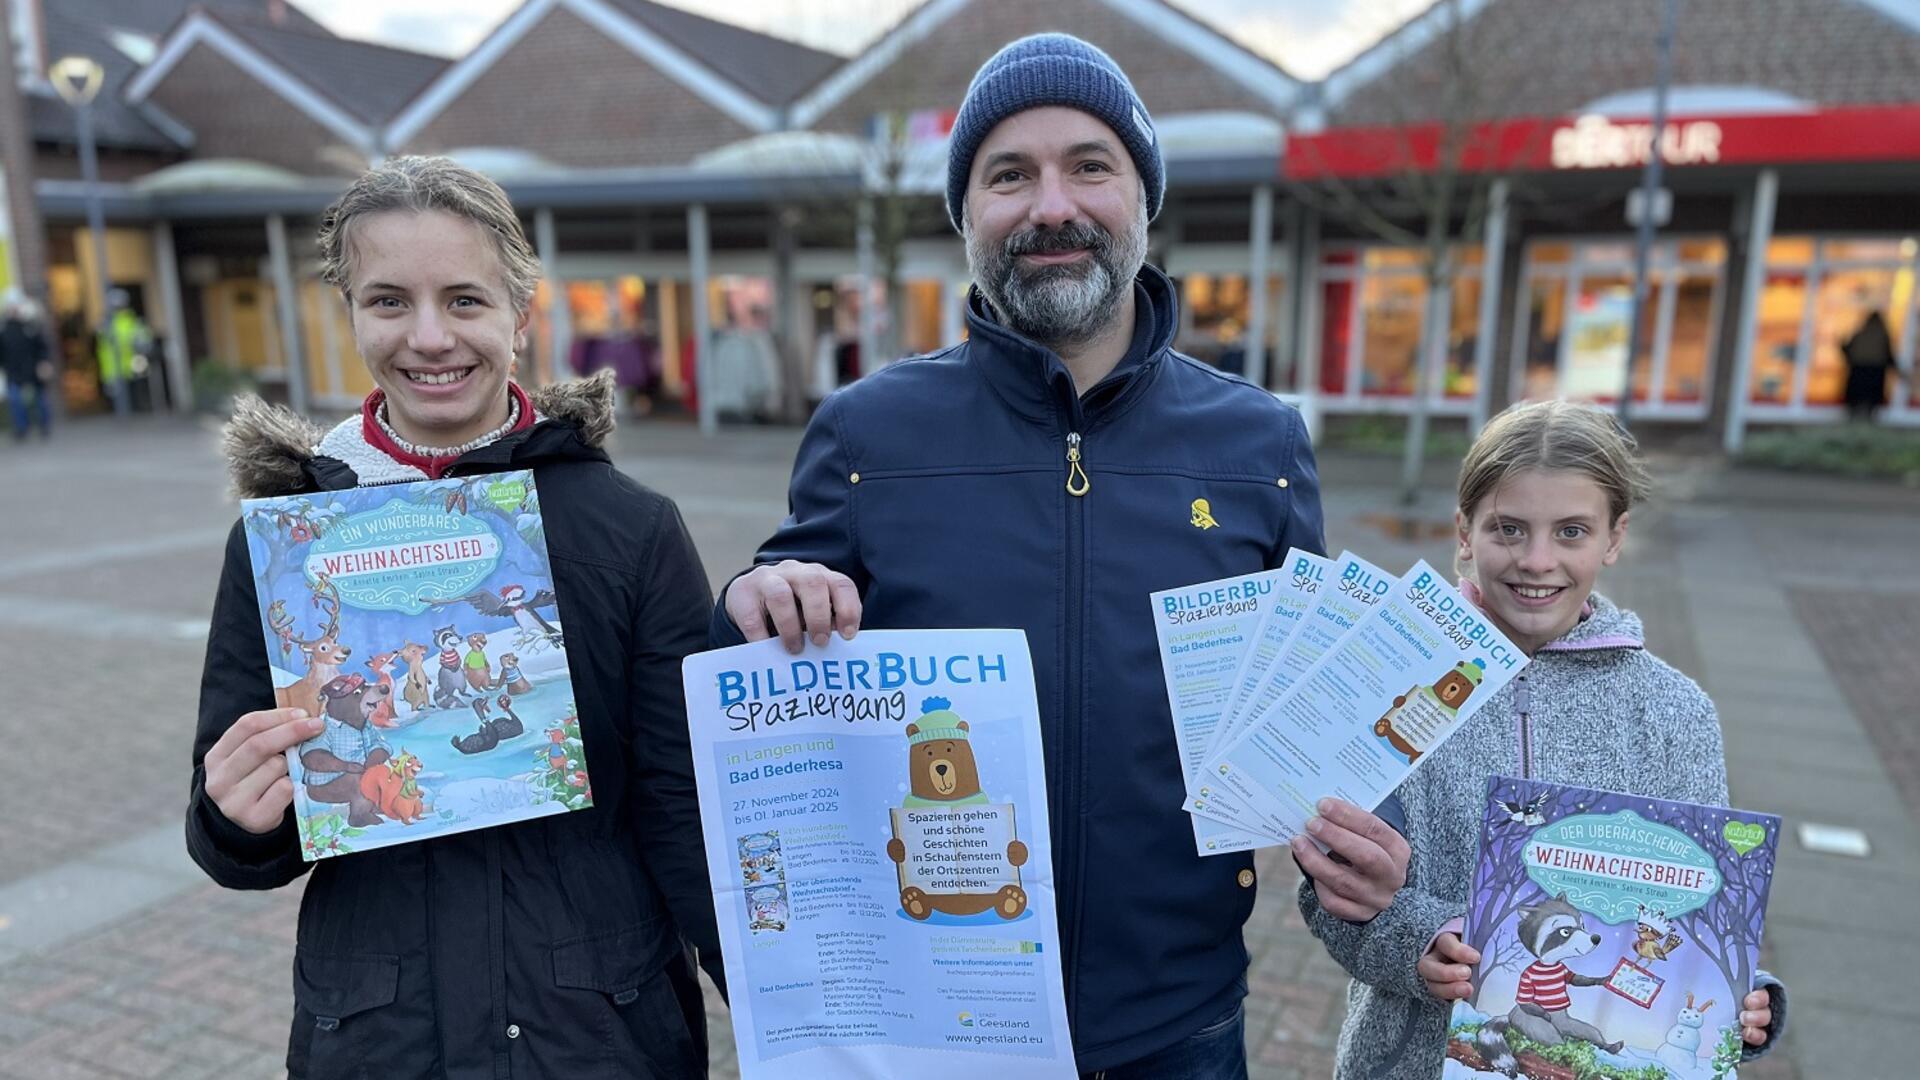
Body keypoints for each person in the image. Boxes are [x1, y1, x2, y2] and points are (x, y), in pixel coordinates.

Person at [712, 34, 1325, 1078]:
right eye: (1009, 175)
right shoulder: (867, 433)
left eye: (1090, 165)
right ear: (966, 218)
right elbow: (777, 627)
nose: (1052, 207)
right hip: (937, 1017)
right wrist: (753, 596)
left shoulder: (1258, 443)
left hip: (1176, 1015)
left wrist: (1368, 861)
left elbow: (1317, 711)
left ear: (1143, 198)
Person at [188, 156, 722, 1080]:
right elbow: (247, 840)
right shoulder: (284, 545)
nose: (430, 337)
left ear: (521, 312)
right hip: (380, 1036)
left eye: (466, 301)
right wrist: (235, 818)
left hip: (596, 1027)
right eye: (389, 301)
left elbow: (684, 804)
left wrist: (774, 995)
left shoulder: (630, 529)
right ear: (348, 311)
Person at [1293, 400, 1787, 1079]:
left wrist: (1742, 999)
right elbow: (1333, 891)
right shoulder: (1394, 681)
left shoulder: (1676, 713)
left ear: (1614, 538)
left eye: (1572, 532)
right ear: (1463, 531)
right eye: (1509, 529)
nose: (1537, 560)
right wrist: (1415, 941)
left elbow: (1699, 911)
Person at [0, 290, 53, 441]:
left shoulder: (30, 326)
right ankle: (21, 430)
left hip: (33, 369)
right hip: (14, 371)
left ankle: (44, 426)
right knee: (16, 401)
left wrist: (44, 362)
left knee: (40, 400)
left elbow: (42, 347)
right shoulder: (3, 329)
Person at [95, 288, 150, 418]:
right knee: (117, 401)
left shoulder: (132, 320)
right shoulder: (105, 323)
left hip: (131, 365)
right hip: (114, 368)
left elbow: (143, 338)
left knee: (135, 395)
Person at [1840, 309, 1898, 421]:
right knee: (1871, 399)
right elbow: (1888, 354)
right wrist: (1897, 369)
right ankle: (1868, 418)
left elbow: (1847, 348)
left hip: (1859, 368)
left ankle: (1853, 417)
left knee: (1856, 397)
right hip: (1875, 370)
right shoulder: (1882, 334)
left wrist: (1849, 358)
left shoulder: (1861, 332)